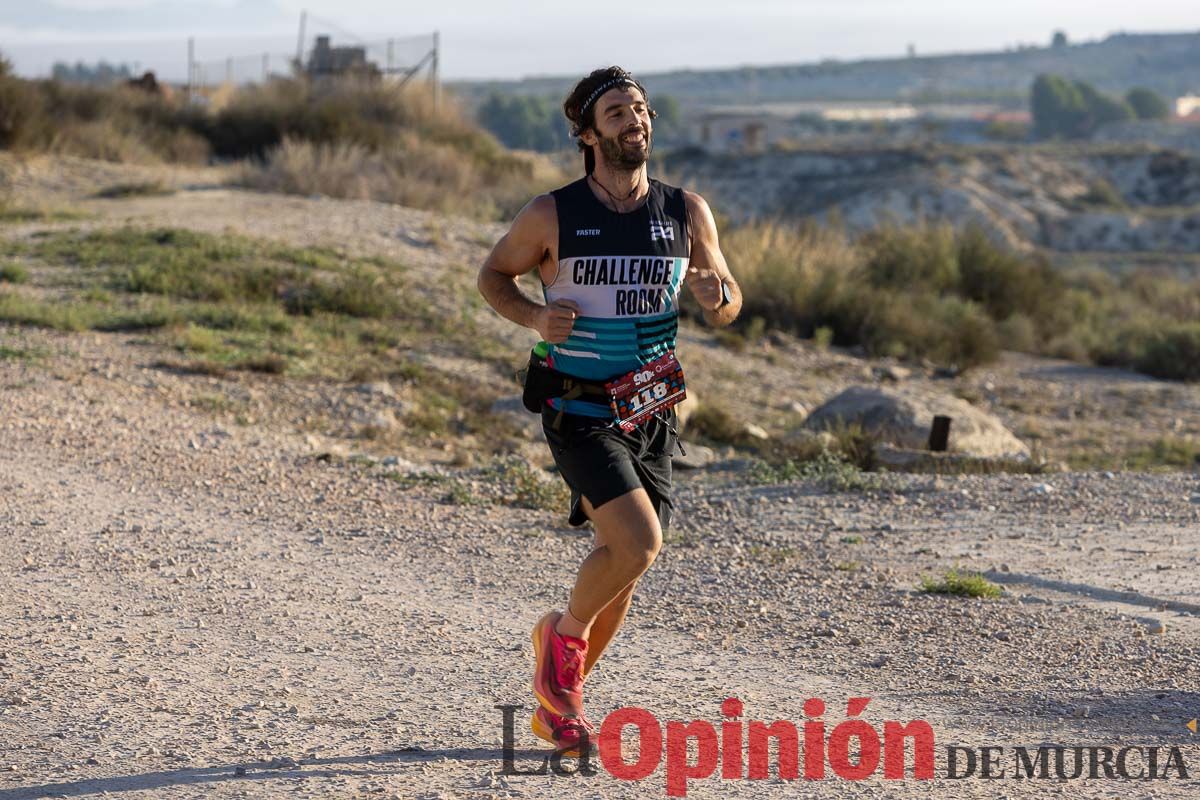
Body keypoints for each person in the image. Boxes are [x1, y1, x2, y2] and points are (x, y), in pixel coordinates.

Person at [476, 66, 741, 755]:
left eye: (642, 109)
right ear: (589, 134)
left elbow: (727, 298)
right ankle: (559, 638)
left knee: (623, 560)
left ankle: (557, 707)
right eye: (619, 112)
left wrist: (718, 297)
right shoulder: (551, 213)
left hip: (652, 405)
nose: (636, 120)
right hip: (579, 404)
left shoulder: (687, 211)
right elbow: (492, 275)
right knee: (640, 542)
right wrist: (536, 316)